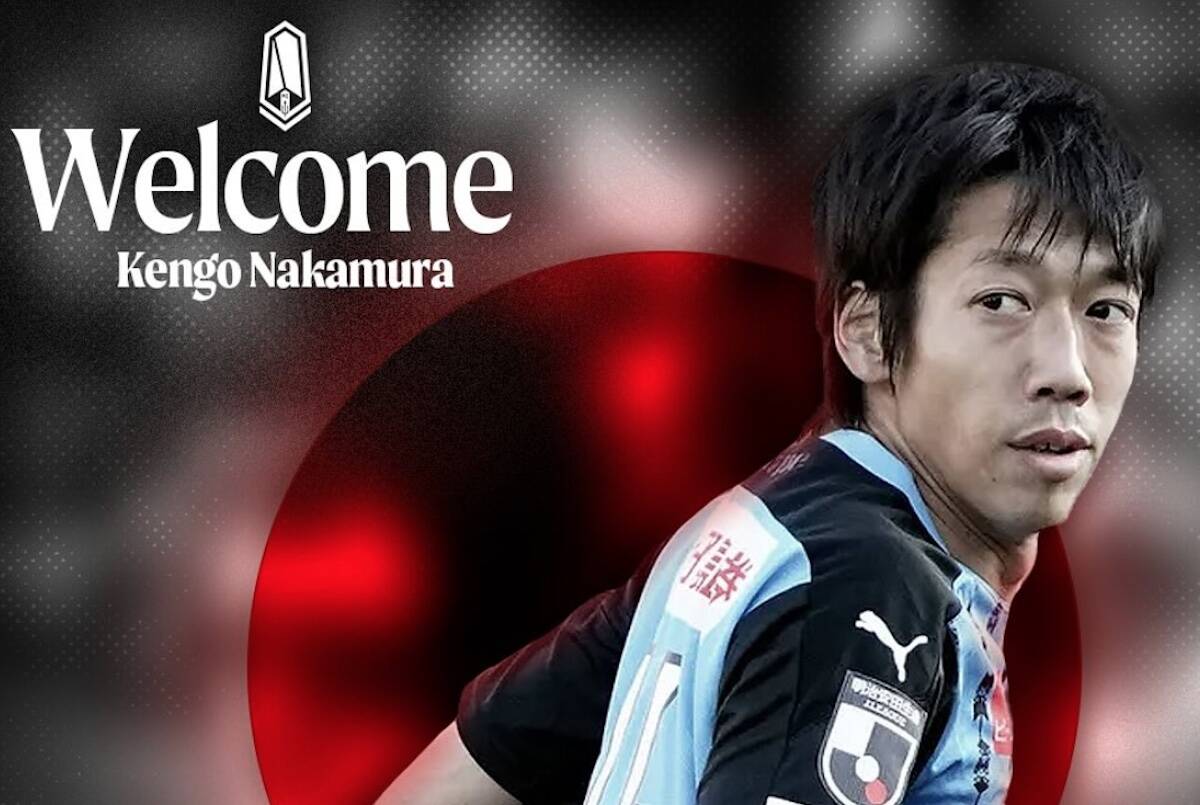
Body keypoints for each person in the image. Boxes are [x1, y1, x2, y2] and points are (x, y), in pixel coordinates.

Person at [377, 61, 1163, 805]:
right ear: (866, 331)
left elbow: (457, 778)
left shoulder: (755, 531)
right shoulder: (868, 585)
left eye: (1106, 310)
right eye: (1001, 301)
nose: (1068, 371)